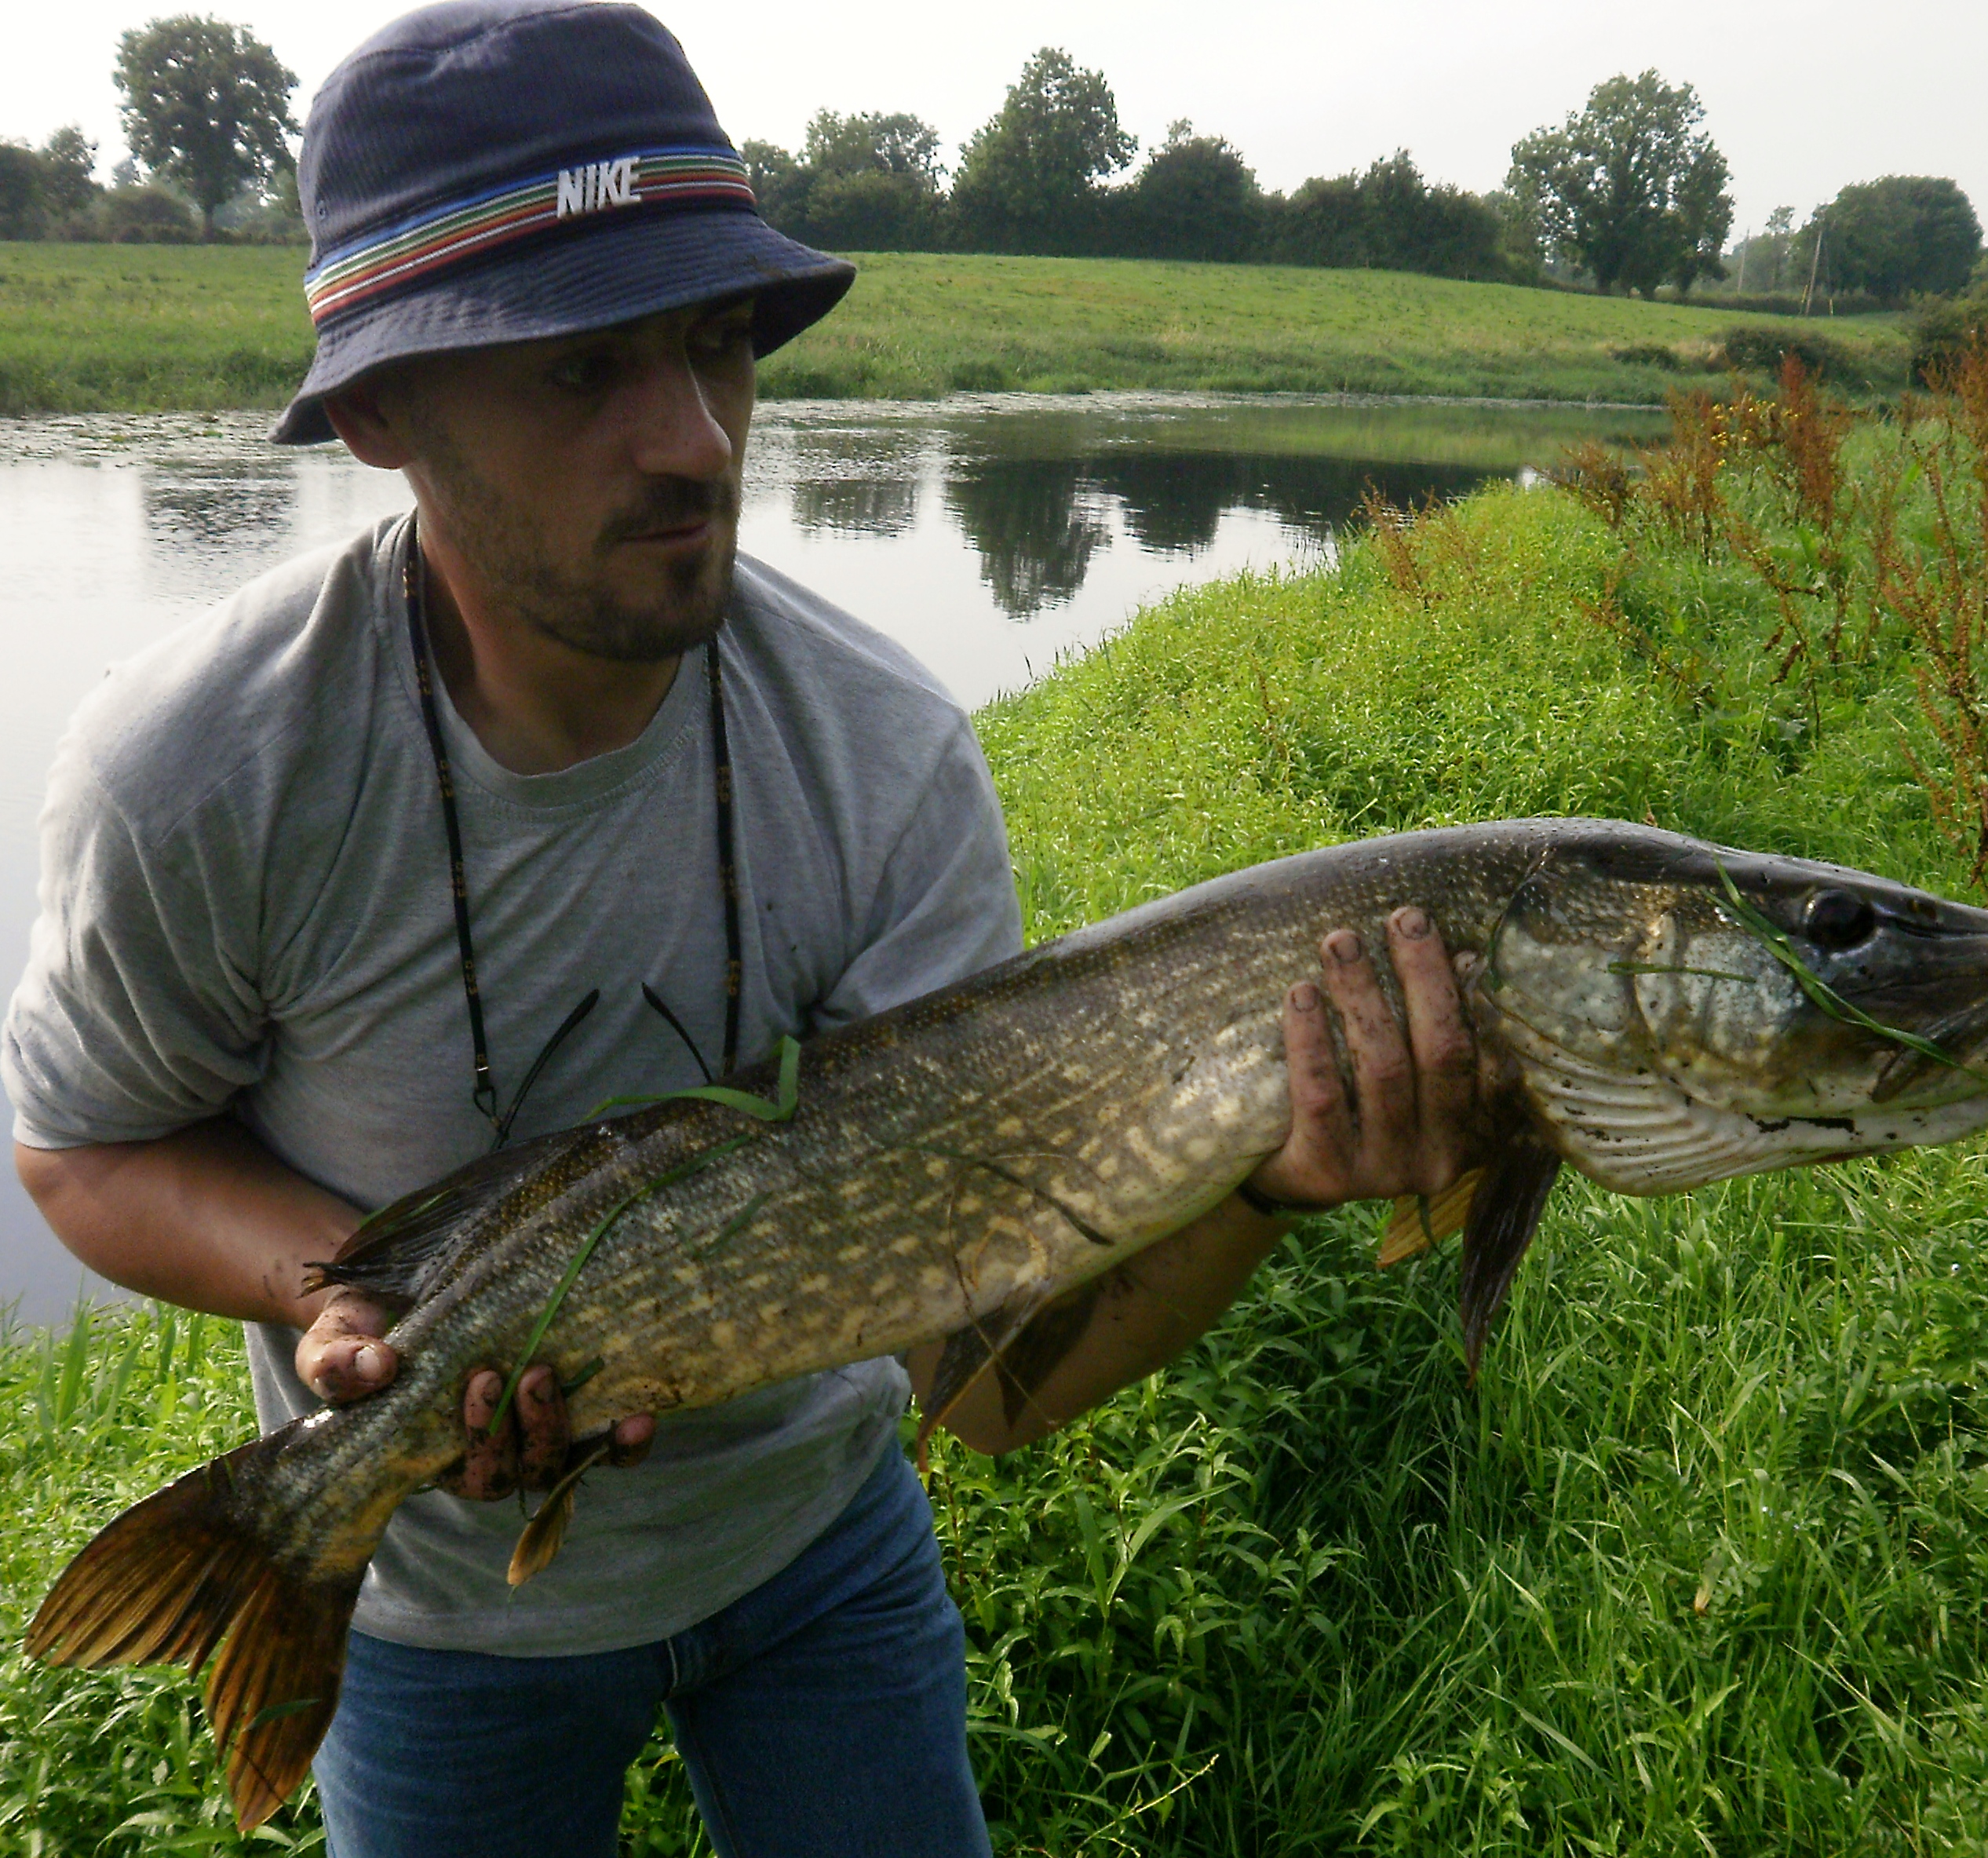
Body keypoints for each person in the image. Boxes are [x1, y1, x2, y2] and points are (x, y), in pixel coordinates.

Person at [4, 4, 1478, 1853]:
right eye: (581, 370)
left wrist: (1259, 1182)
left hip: (815, 1553)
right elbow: (79, 1147)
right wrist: (366, 1310)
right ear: (380, 414)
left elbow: (990, 1380)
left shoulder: (879, 755)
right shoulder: (198, 772)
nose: (696, 439)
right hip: (441, 1620)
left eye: (715, 345)